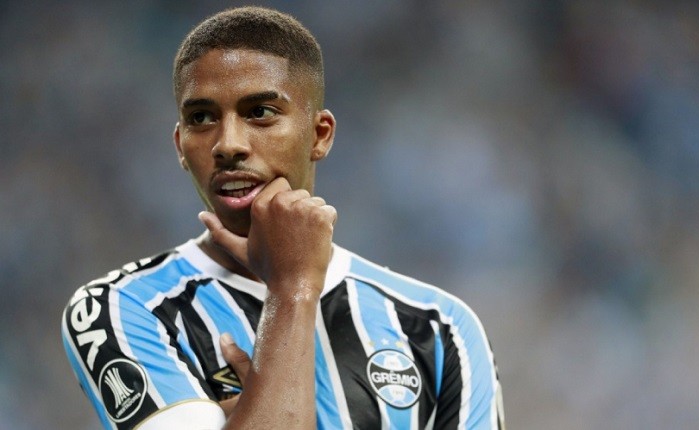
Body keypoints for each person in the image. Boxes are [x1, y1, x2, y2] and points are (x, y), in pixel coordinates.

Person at [61, 6, 504, 429]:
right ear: (180, 145)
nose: (228, 144)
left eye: (260, 112)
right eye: (201, 118)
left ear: (319, 135)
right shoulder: (118, 309)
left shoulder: (439, 328)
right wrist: (293, 289)